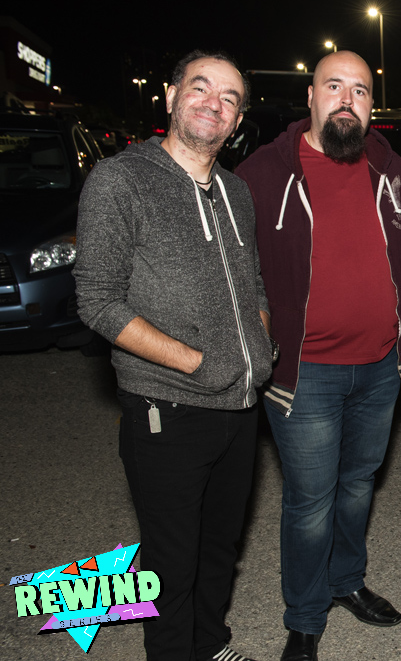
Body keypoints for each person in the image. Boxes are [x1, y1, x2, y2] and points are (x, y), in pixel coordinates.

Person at [74, 50, 272, 661]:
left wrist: (259, 345)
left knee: (220, 548)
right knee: (170, 562)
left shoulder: (236, 190)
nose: (214, 103)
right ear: (170, 95)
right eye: (201, 87)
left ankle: (210, 645)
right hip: (168, 408)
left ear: (237, 120)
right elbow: (98, 302)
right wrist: (197, 364)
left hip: (241, 406)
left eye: (230, 97)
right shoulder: (120, 180)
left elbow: (254, 284)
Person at [234, 51, 401, 661]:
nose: (346, 99)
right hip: (303, 375)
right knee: (310, 503)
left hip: (381, 367)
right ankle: (306, 617)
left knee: (358, 485)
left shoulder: (390, 168)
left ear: (371, 105)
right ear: (310, 97)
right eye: (333, 86)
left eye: (360, 90)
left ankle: (346, 582)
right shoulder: (263, 173)